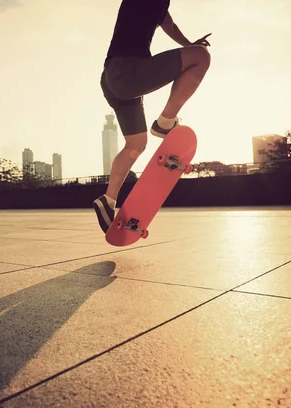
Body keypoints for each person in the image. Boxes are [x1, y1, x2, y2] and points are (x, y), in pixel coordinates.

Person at [93, 0, 212, 233]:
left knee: (136, 144)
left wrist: (188, 43)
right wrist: (192, 47)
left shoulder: (159, 6)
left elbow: (170, 25)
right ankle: (165, 122)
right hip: (128, 73)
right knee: (201, 57)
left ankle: (108, 200)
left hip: (112, 79)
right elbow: (169, 25)